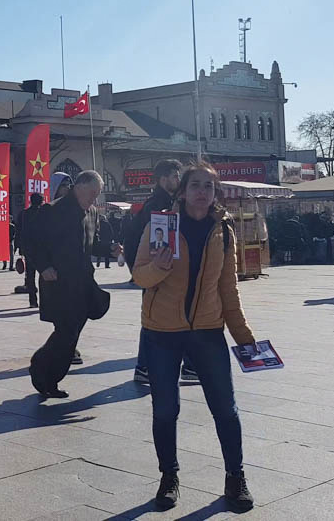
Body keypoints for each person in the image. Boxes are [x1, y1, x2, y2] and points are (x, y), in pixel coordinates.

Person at [131, 162, 256, 512]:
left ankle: (235, 477)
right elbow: (140, 277)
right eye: (196, 185)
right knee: (165, 410)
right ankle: (168, 476)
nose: (202, 192)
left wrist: (243, 335)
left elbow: (228, 289)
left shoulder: (224, 230)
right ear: (183, 191)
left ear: (215, 193)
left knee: (226, 410)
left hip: (207, 331)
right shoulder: (161, 226)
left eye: (209, 186)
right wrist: (158, 266)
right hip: (162, 333)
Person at [28, 170, 104, 399]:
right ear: (78, 187)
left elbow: (92, 243)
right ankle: (43, 372)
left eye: (98, 194)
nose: (95, 198)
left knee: (72, 334)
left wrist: (109, 249)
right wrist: (44, 266)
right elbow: (31, 242)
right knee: (66, 331)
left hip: (83, 284)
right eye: (93, 193)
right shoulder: (53, 210)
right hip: (59, 282)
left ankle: (47, 375)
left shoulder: (91, 212)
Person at [121, 159, 195, 385]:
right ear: (163, 179)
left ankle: (147, 367)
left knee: (160, 319)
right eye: (175, 176)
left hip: (156, 271)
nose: (178, 180)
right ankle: (157, 366)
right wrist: (146, 271)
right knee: (163, 319)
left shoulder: (164, 201)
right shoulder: (158, 206)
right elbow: (155, 243)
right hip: (158, 272)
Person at [17, 193, 46, 307]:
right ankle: (44, 301)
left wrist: (18, 247)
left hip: (28, 250)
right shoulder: (44, 213)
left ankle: (32, 301)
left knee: (30, 276)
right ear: (41, 201)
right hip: (43, 249)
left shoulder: (24, 214)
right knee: (44, 275)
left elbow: (19, 231)